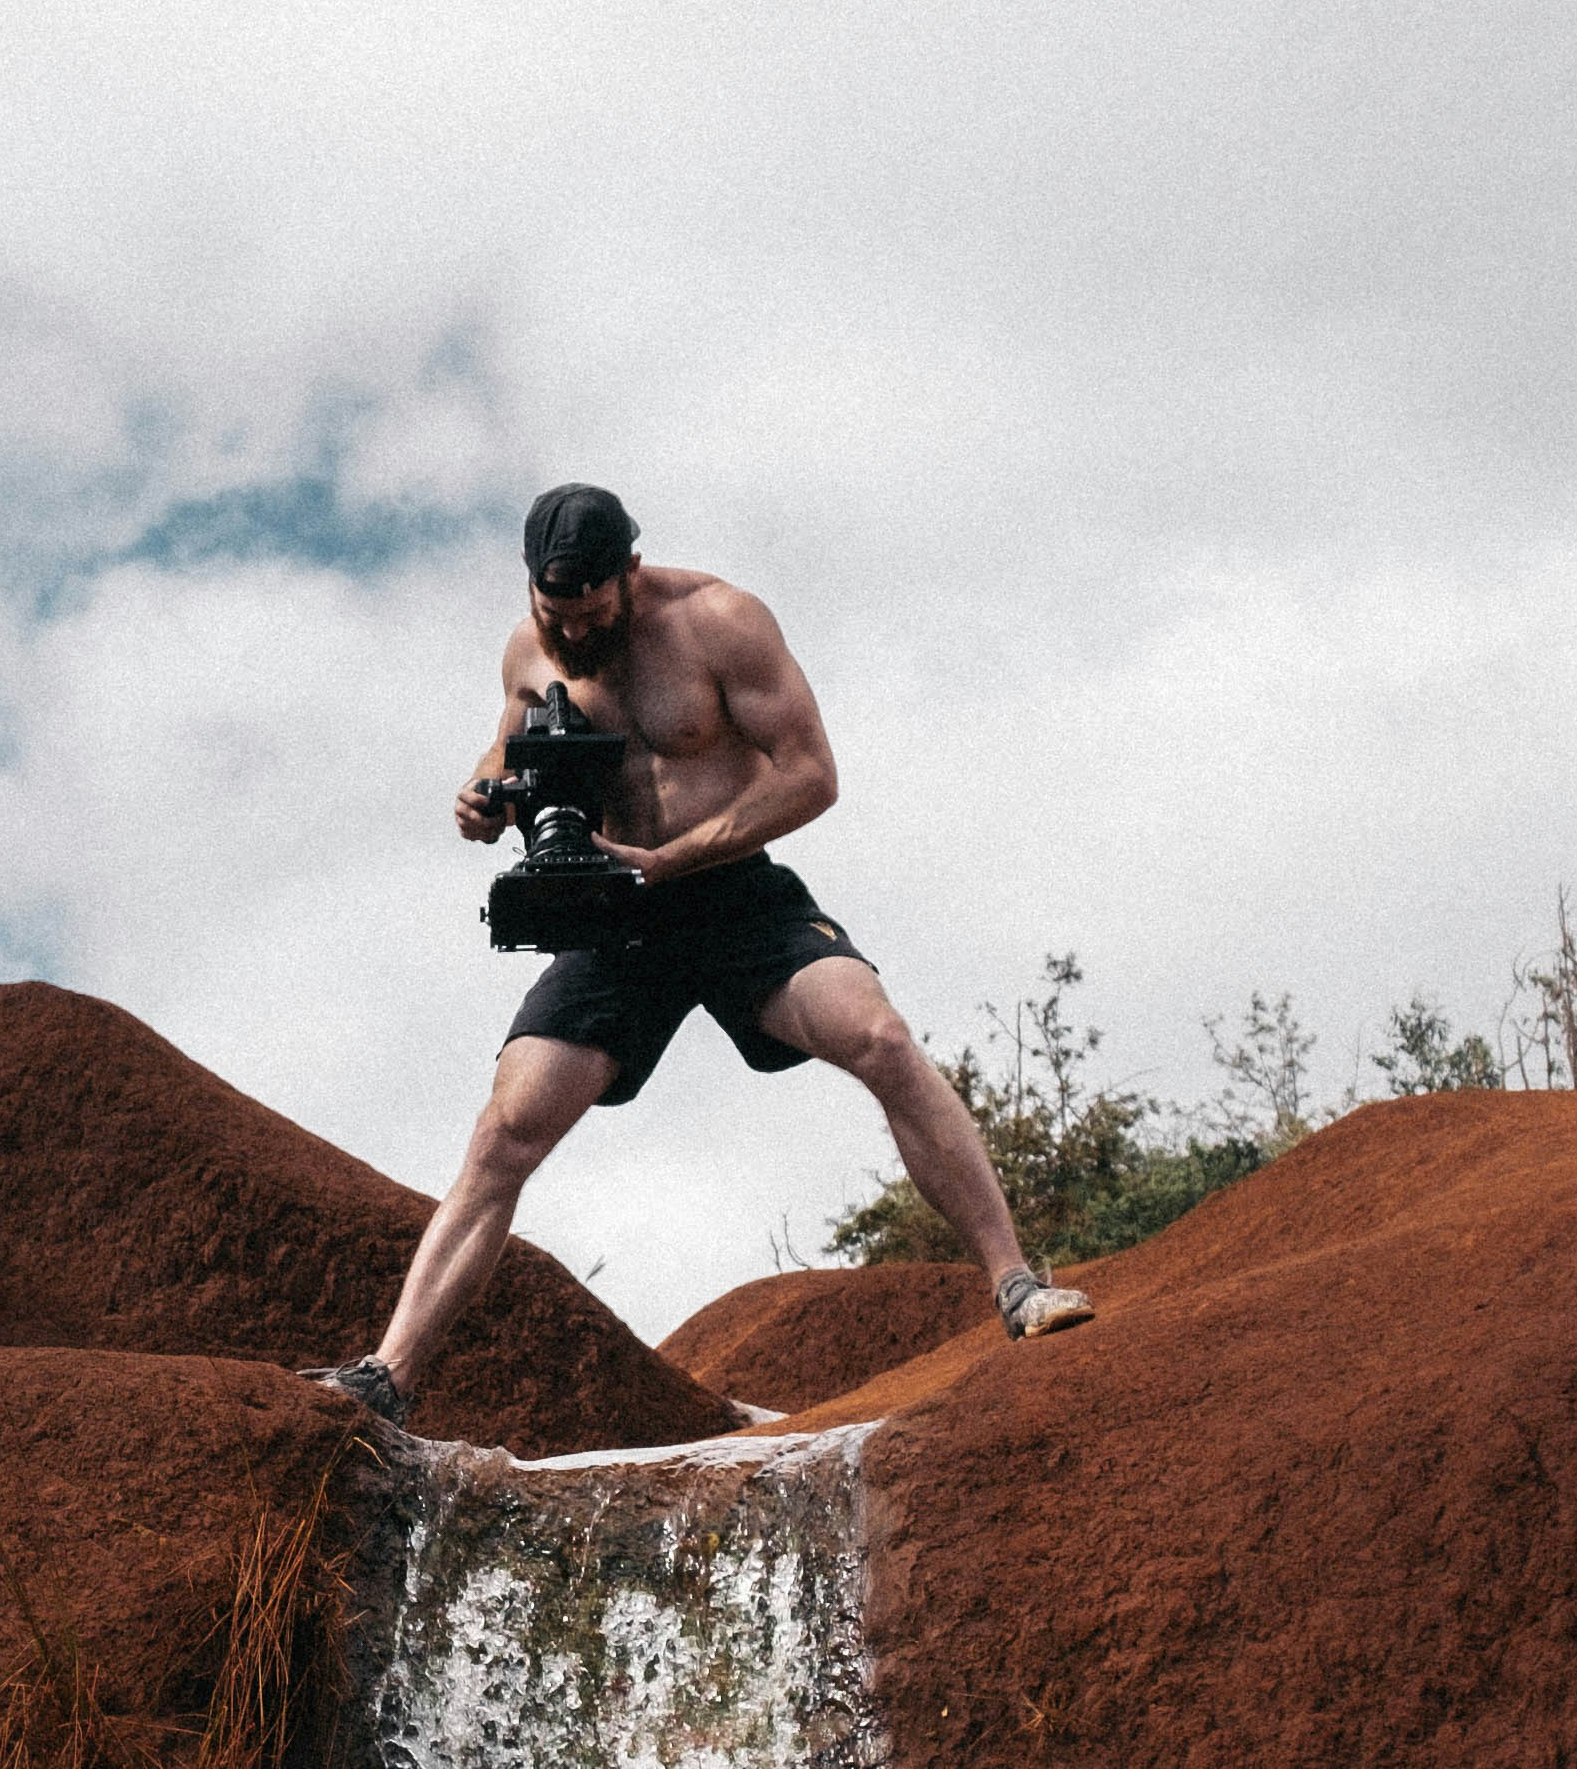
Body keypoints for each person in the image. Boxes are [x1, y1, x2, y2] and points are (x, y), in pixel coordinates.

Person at [307, 484, 1087, 1427]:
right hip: (612, 918)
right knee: (504, 1130)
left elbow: (812, 775)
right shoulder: (531, 648)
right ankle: (389, 1373)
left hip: (731, 894)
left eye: (590, 610)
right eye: (554, 612)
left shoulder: (721, 622)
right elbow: (506, 752)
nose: (572, 630)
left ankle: (1014, 1285)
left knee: (878, 1037)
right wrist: (479, 797)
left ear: (630, 574)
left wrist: (676, 856)